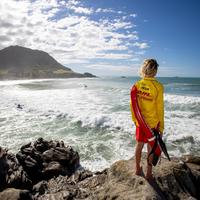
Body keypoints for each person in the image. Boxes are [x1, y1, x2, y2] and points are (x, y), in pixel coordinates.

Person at [130, 59, 164, 180]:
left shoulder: (137, 85)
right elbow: (160, 108)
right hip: (153, 124)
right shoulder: (158, 86)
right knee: (151, 148)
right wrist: (161, 126)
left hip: (140, 123)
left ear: (143, 69)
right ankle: (149, 173)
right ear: (155, 71)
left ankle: (137, 169)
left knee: (139, 146)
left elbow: (133, 105)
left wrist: (135, 120)